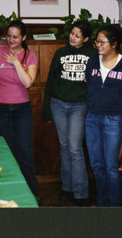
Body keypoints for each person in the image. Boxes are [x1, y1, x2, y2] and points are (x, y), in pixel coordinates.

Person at [84, 25, 122, 206]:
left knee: (110, 167)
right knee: (97, 165)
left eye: (102, 41)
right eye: (96, 41)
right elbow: (89, 85)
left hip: (113, 120)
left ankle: (114, 206)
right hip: (92, 118)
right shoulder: (92, 61)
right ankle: (101, 204)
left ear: (114, 43)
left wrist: (118, 107)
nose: (98, 45)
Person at [43, 20, 97, 206]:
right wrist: (46, 110)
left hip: (79, 106)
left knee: (75, 148)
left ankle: (81, 193)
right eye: (72, 33)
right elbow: (51, 82)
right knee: (64, 146)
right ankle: (67, 188)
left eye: (77, 35)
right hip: (58, 104)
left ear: (87, 38)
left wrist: (88, 81)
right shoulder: (60, 53)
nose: (72, 38)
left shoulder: (92, 54)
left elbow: (97, 81)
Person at [0, 20, 41, 202]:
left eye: (15, 37)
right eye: (8, 36)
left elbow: (28, 82)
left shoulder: (30, 56)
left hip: (21, 110)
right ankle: (6, 193)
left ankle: (32, 193)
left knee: (25, 152)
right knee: (4, 152)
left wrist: (16, 62)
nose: (10, 40)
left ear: (23, 37)